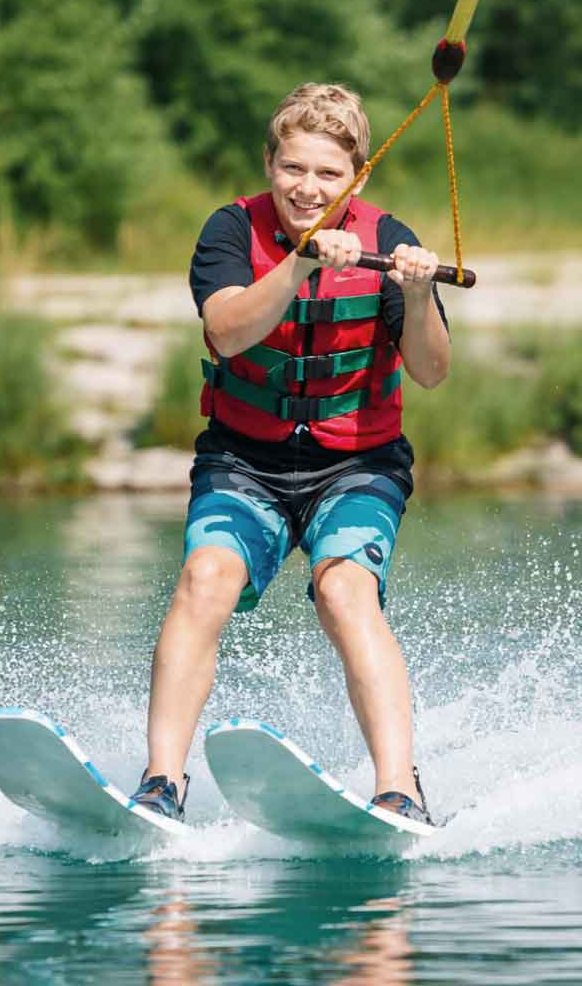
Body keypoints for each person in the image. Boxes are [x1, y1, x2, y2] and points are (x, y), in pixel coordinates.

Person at [130, 83, 450, 825]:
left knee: (346, 593)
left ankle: (399, 788)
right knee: (204, 578)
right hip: (244, 461)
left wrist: (420, 292)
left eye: (328, 174)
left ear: (358, 178)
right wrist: (303, 263)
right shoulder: (229, 230)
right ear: (270, 163)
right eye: (293, 168)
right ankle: (161, 784)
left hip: (359, 465)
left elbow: (430, 372)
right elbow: (230, 330)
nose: (308, 188)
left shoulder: (387, 233)